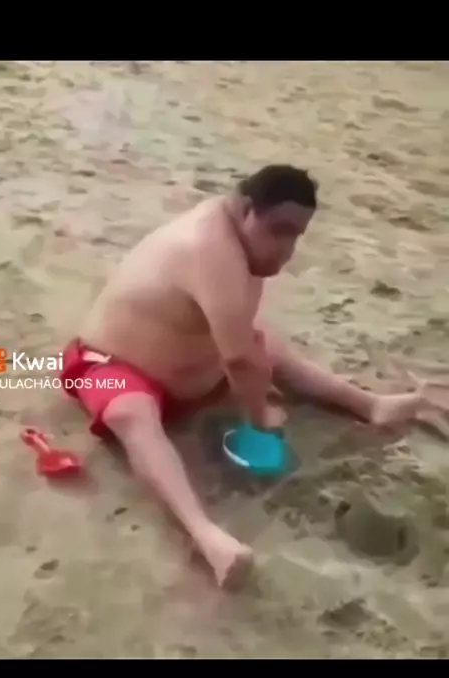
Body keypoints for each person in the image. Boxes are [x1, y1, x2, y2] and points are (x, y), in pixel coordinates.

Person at [59, 164, 425, 588]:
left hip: (195, 365)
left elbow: (242, 345)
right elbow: (237, 361)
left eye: (297, 235)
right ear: (247, 208)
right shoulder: (208, 246)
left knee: (267, 347)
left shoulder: (243, 241)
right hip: (110, 364)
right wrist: (257, 422)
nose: (286, 249)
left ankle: (369, 404)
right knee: (132, 413)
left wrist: (252, 377)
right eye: (278, 231)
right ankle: (205, 535)